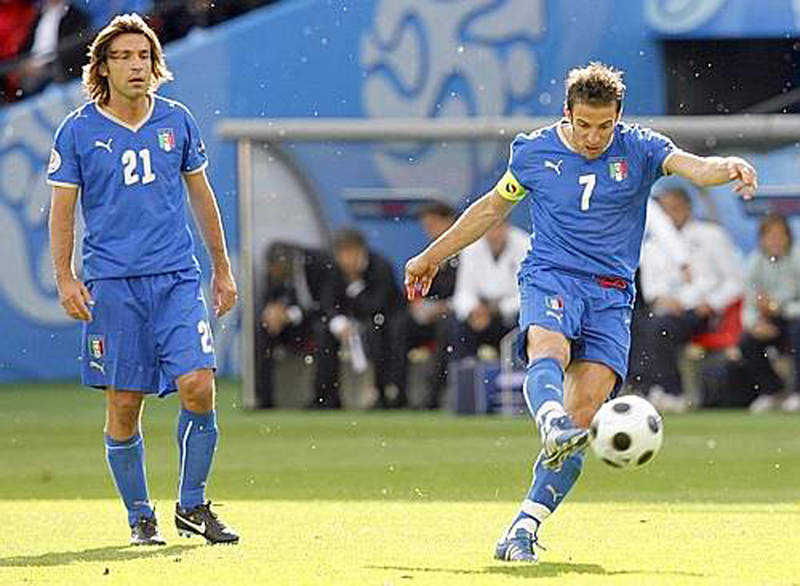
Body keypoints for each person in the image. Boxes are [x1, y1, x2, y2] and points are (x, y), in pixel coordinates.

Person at [404, 62, 757, 563]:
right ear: (567, 113)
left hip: (613, 296)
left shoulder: (640, 148)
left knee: (585, 416)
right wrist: (431, 257)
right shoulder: (534, 152)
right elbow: (489, 209)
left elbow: (693, 166)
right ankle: (548, 417)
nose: (595, 137)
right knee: (547, 347)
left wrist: (728, 167)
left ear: (618, 117)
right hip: (553, 275)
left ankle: (522, 529)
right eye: (585, 124)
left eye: (605, 126)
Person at [47, 14, 239, 545]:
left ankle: (193, 504)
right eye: (125, 57)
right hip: (113, 286)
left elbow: (202, 196)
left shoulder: (177, 121)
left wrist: (222, 269)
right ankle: (140, 516)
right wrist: (65, 279)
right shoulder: (79, 130)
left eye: (144, 57)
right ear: (102, 68)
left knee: (199, 386)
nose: (137, 66)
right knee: (124, 404)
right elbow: (62, 211)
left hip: (177, 279)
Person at [640, 186, 743, 412]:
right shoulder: (651, 245)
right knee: (647, 324)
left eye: (675, 208)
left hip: (706, 313)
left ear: (688, 207)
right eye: (665, 210)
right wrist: (663, 300)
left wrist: (712, 303)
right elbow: (651, 290)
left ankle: (673, 391)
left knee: (660, 327)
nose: (671, 215)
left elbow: (735, 282)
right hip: (668, 312)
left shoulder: (712, 235)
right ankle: (652, 387)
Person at [313, 228, 405, 409]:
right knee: (322, 331)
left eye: (349, 251)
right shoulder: (334, 269)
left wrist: (355, 283)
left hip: (381, 320)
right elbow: (327, 302)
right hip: (348, 322)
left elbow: (376, 306)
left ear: (361, 250)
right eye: (341, 252)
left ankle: (385, 392)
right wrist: (339, 322)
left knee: (379, 331)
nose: (344, 258)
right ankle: (326, 396)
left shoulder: (381, 267)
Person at [388, 201, 459, 409]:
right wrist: (417, 306)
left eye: (434, 224)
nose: (430, 230)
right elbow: (414, 291)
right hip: (426, 318)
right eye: (426, 225)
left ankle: (433, 396)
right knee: (399, 325)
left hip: (451, 317)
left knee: (447, 328)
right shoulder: (427, 255)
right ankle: (396, 394)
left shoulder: (468, 255)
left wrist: (443, 308)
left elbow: (468, 293)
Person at [255, 241, 336, 409]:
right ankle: (264, 398)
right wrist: (272, 314)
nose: (275, 275)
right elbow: (269, 301)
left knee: (323, 332)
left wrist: (290, 314)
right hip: (292, 327)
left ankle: (324, 397)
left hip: (318, 320)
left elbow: (325, 305)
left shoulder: (320, 262)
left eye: (278, 270)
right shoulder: (274, 272)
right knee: (263, 329)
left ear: (287, 263)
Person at [738, 214, 800, 413]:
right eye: (769, 235)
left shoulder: (797, 258)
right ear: (761, 239)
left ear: (789, 237)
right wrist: (754, 324)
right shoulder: (754, 262)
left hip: (794, 319)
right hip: (769, 322)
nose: (775, 240)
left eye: (779, 235)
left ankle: (798, 392)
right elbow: (748, 303)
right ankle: (773, 391)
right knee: (747, 342)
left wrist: (779, 308)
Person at [450, 218, 529, 361]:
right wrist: (472, 310)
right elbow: (463, 291)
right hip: (481, 314)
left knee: (524, 323)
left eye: (498, 227)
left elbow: (528, 293)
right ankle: (467, 371)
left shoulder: (524, 244)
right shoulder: (471, 247)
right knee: (458, 327)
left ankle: (518, 372)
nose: (494, 233)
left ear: (507, 226)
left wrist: (498, 309)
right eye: (490, 228)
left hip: (513, 313)